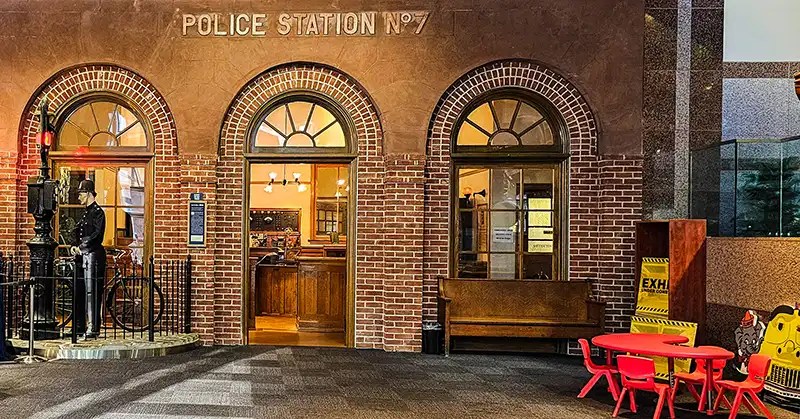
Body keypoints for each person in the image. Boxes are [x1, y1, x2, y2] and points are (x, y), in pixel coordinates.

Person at [69, 179, 106, 339]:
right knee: (79, 291)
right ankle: (78, 326)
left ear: (89, 193)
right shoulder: (85, 213)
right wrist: (73, 245)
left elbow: (97, 235)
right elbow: (76, 231)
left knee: (92, 292)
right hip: (82, 257)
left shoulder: (98, 212)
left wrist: (82, 247)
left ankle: (93, 327)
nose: (79, 197)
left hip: (93, 257)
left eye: (81, 194)